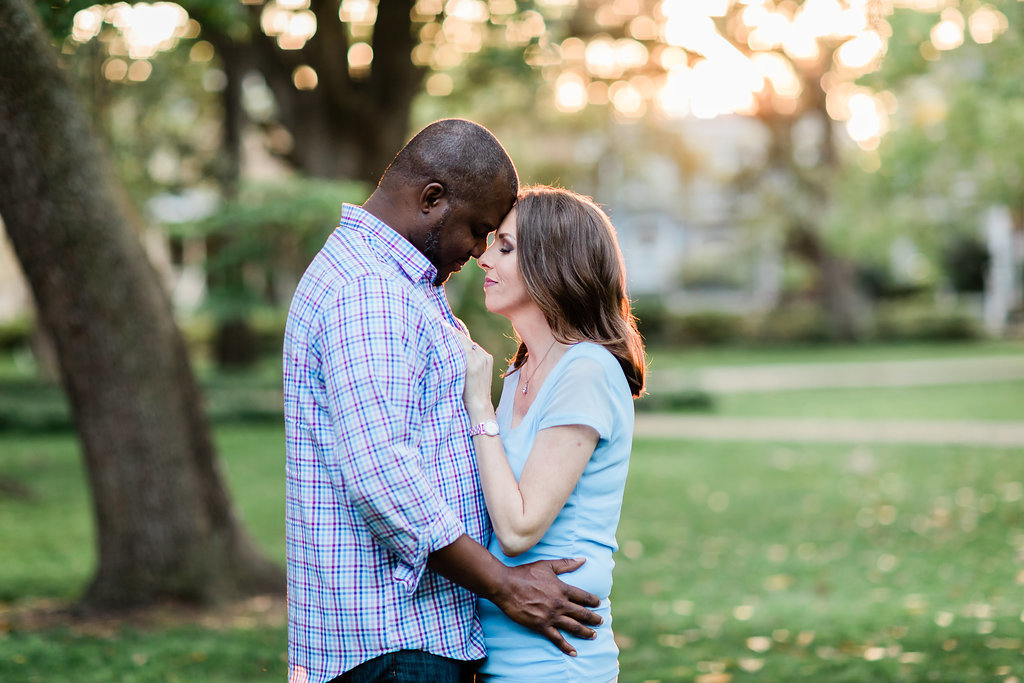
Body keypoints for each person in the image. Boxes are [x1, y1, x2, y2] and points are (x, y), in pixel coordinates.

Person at [282, 120, 601, 683]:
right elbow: (381, 473)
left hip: (407, 639)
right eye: (480, 231)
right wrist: (505, 586)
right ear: (432, 199)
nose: (479, 252)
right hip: (393, 642)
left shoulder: (392, 282)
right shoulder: (370, 292)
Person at [458, 186, 646, 682]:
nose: (483, 257)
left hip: (555, 666)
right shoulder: (520, 374)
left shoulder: (586, 369)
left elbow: (519, 529)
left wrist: (478, 407)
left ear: (552, 263)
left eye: (505, 246)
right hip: (502, 659)